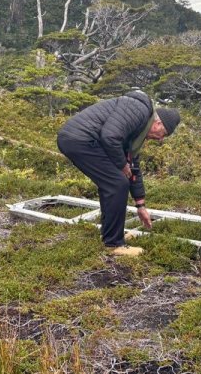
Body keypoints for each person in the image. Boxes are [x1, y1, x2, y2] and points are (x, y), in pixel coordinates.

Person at [57, 91, 180, 256]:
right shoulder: (139, 110)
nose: (160, 139)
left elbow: (133, 168)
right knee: (117, 184)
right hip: (80, 139)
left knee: (113, 184)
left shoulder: (137, 131)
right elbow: (110, 136)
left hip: (83, 140)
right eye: (163, 134)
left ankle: (112, 235)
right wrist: (122, 165)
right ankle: (114, 243)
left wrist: (140, 205)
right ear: (158, 123)